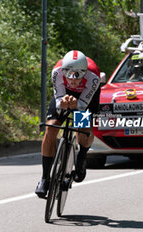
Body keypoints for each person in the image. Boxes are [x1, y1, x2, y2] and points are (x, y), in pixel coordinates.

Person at [35, 50, 101, 198]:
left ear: (84, 73)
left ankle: (82, 157)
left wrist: (77, 104)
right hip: (63, 93)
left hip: (85, 97)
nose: (72, 81)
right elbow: (59, 101)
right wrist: (63, 104)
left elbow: (83, 106)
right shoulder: (57, 71)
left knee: (83, 127)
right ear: (64, 71)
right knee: (51, 127)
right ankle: (45, 178)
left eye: (77, 78)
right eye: (69, 77)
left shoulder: (93, 76)